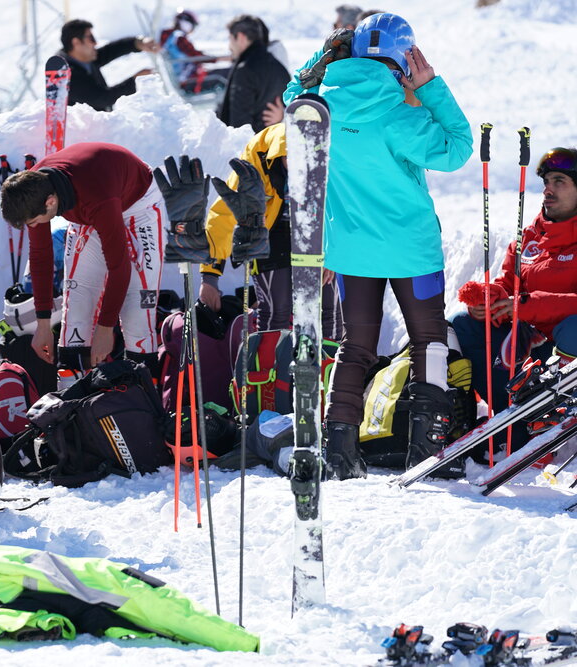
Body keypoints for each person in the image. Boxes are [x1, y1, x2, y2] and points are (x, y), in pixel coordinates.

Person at [285, 14, 471, 479]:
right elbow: (458, 148)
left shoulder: (322, 108)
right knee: (429, 342)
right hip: (412, 250)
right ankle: (426, 452)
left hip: (352, 250)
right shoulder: (400, 116)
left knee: (356, 346)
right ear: (404, 59)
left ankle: (339, 453)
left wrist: (319, 61)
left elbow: (291, 100)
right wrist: (430, 88)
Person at [0, 142, 167, 381]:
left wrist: (106, 329)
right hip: (90, 204)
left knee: (137, 311)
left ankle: (141, 390)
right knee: (77, 302)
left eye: (33, 222)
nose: (33, 227)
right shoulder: (33, 188)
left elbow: (119, 268)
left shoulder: (96, 197)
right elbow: (40, 256)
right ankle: (72, 392)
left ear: (50, 202)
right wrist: (43, 325)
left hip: (138, 205)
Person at [453, 148, 577, 418]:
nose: (548, 190)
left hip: (564, 349)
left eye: (559, 181)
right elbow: (510, 284)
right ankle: (507, 421)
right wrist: (492, 298)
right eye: (546, 182)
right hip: (528, 342)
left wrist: (525, 305)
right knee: (463, 323)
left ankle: (556, 414)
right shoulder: (531, 236)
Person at [200, 121, 342, 341]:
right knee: (277, 310)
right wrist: (210, 276)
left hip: (312, 230)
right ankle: (272, 361)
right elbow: (223, 213)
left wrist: (331, 251)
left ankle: (329, 360)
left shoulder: (328, 155)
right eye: (292, 160)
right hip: (268, 232)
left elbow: (339, 208)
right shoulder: (257, 156)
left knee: (327, 310)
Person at [60, 19, 160, 112]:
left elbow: (111, 50)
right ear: (76, 42)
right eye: (91, 38)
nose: (95, 43)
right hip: (86, 125)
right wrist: (136, 81)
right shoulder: (65, 75)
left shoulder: (83, 57)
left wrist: (138, 43)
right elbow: (102, 98)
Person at [215, 14, 289, 133]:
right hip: (272, 141)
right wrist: (282, 117)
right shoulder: (279, 68)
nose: (229, 46)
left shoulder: (245, 70)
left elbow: (239, 125)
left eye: (230, 39)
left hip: (252, 142)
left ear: (241, 37)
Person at [158, 8, 226, 94]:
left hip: (184, 80)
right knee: (228, 73)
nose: (192, 29)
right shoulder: (179, 38)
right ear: (186, 23)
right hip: (190, 83)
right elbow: (196, 56)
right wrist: (220, 59)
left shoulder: (168, 37)